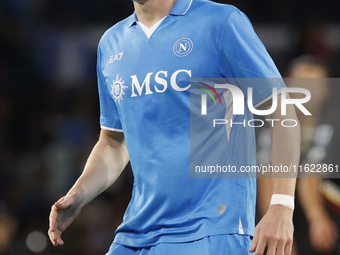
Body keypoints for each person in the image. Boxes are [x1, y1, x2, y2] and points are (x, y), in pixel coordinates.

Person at [48, 0, 300, 254]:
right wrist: (78, 195)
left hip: (211, 230)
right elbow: (114, 142)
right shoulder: (111, 43)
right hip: (137, 233)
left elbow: (282, 110)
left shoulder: (221, 21)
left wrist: (281, 205)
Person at [257, 55, 339, 255]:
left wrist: (317, 218)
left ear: (326, 91)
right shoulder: (268, 123)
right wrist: (279, 237)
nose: (307, 92)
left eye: (315, 85)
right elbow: (267, 176)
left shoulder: (330, 124)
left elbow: (312, 173)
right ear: (286, 85)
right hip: (285, 218)